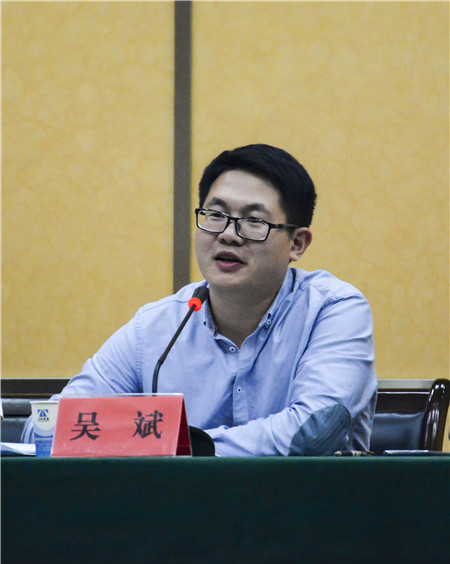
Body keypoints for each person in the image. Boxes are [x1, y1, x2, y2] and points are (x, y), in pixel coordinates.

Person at [22, 144, 377, 456]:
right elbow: (45, 430)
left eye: (254, 221)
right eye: (216, 215)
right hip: (178, 511)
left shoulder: (332, 310)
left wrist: (185, 447)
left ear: (296, 244)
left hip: (304, 508)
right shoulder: (157, 328)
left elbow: (311, 433)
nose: (228, 235)